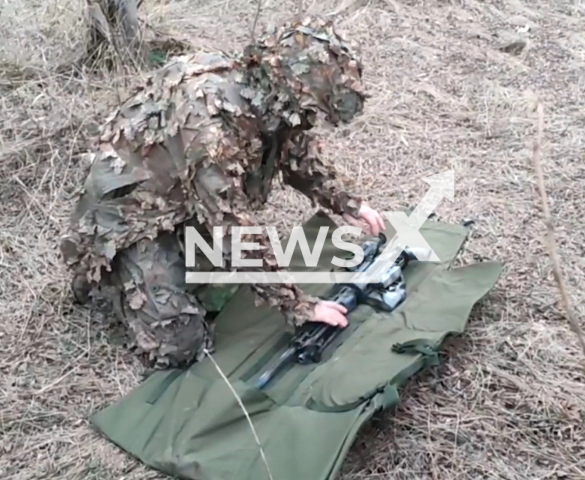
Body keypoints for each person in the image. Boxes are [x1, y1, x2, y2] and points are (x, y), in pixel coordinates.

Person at [60, 15, 385, 368]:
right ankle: (110, 273)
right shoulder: (211, 129)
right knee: (180, 343)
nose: (309, 122)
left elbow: (296, 153)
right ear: (287, 93)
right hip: (133, 219)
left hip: (181, 200)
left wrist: (349, 204)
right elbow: (232, 230)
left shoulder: (263, 98)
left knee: (223, 288)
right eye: (309, 112)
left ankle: (172, 258)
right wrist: (300, 306)